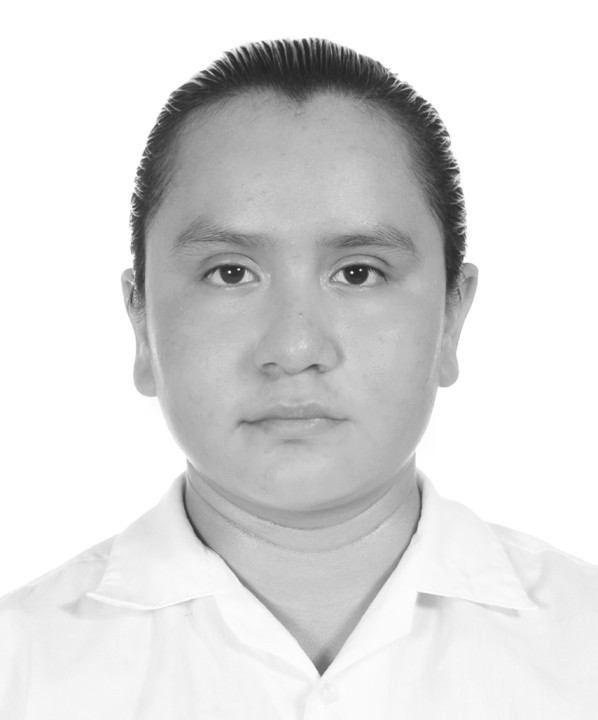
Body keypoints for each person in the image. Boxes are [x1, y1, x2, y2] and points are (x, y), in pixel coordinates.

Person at [1, 37, 596, 719]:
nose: (294, 348)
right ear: (141, 321)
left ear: (451, 318)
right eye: (230, 273)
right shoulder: (19, 668)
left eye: (359, 273)